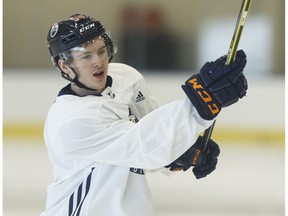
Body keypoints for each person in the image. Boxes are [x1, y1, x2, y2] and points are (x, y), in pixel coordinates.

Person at [41, 14, 248, 216]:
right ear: (64, 65)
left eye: (102, 51)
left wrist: (182, 150)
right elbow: (146, 144)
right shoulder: (71, 122)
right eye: (86, 56)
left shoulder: (126, 77)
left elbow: (149, 130)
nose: (98, 61)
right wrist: (201, 100)